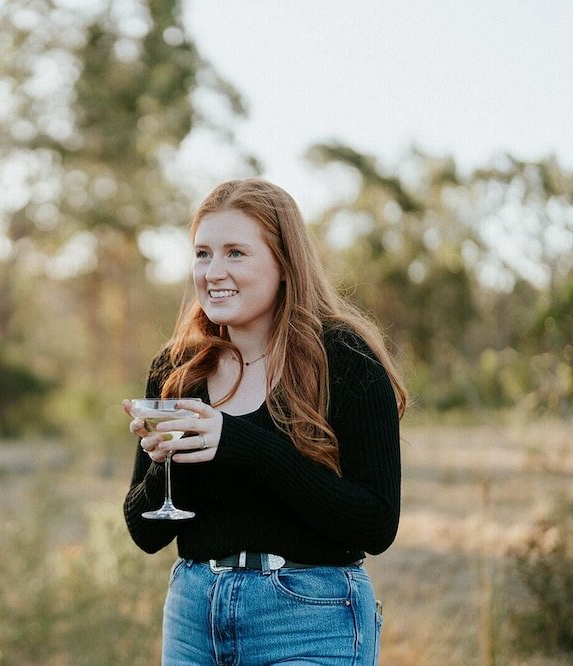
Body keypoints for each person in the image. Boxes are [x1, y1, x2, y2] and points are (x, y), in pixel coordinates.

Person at [123, 178, 408, 665]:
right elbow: (145, 532)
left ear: (283, 263)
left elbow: (376, 524)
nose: (213, 272)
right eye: (202, 253)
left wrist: (238, 445)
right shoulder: (176, 369)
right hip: (196, 617)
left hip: (309, 619)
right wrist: (169, 461)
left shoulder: (344, 360)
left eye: (236, 253)